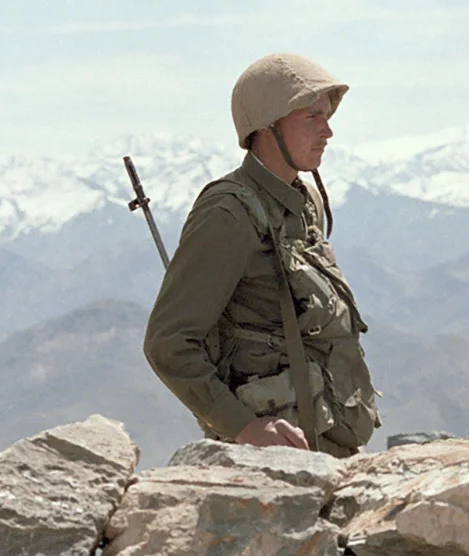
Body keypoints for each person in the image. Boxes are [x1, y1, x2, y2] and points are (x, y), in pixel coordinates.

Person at [143, 53, 379, 458]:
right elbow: (169, 343)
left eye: (326, 116)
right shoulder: (228, 214)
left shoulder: (304, 203)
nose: (327, 131)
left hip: (328, 442)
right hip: (269, 457)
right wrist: (244, 427)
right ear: (268, 125)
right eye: (312, 117)